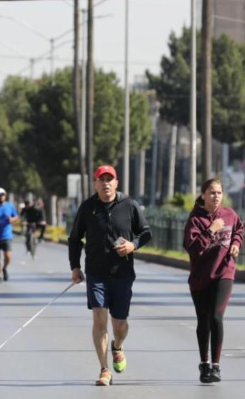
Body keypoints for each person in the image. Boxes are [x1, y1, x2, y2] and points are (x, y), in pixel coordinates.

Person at [68, 165, 151, 386]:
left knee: (120, 324)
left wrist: (132, 245)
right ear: (95, 184)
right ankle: (104, 369)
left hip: (122, 273)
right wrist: (75, 267)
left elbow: (146, 232)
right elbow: (75, 239)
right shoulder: (88, 208)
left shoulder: (129, 205)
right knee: (99, 319)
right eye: (101, 179)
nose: (105, 183)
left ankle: (118, 346)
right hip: (96, 273)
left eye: (109, 179)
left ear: (116, 182)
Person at [183, 178, 244, 384]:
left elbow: (238, 230)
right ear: (203, 195)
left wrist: (235, 244)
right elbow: (192, 249)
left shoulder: (230, 214)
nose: (215, 196)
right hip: (201, 277)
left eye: (218, 192)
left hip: (224, 272)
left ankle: (216, 366)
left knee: (216, 317)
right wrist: (211, 230)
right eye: (211, 192)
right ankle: (204, 363)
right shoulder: (195, 219)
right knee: (204, 320)